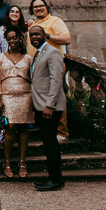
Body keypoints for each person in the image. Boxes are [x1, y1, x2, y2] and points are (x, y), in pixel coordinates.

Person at [28, 0, 72, 139]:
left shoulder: (55, 21)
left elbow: (67, 39)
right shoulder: (33, 23)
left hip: (52, 63)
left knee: (57, 94)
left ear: (47, 7)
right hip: (37, 66)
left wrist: (47, 35)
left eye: (41, 6)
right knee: (42, 96)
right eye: (35, 7)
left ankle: (62, 131)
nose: (39, 9)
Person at [29, 25, 66, 191]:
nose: (34, 37)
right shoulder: (37, 54)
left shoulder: (52, 53)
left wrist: (49, 105)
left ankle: (56, 179)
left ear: (44, 35)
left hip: (51, 105)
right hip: (41, 103)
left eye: (37, 34)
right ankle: (54, 176)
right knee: (47, 141)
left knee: (50, 142)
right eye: (32, 35)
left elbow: (56, 80)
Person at [0, 27, 34, 178]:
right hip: (7, 95)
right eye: (9, 39)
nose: (12, 41)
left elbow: (33, 78)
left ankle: (22, 162)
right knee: (10, 127)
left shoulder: (28, 58)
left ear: (20, 38)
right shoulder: (0, 58)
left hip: (25, 95)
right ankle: (7, 161)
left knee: (23, 128)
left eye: (14, 38)